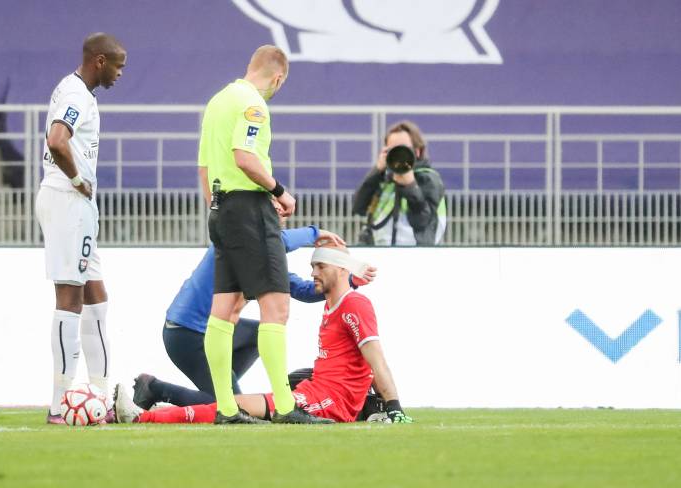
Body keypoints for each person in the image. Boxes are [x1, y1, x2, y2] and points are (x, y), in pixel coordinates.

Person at [113, 246, 412, 425]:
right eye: (312, 266)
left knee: (230, 407)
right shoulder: (337, 305)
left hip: (325, 400)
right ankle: (153, 404)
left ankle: (143, 415)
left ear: (342, 268)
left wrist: (394, 407)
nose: (313, 273)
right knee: (231, 403)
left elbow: (375, 359)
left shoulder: (353, 304)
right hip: (317, 390)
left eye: (320, 265)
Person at [200, 45, 324, 424]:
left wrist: (221, 208)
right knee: (276, 307)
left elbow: (205, 168)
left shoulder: (218, 101)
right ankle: (287, 409)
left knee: (226, 309)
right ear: (278, 78)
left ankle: (225, 408)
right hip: (249, 210)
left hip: (221, 209)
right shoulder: (254, 105)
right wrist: (278, 191)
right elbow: (245, 155)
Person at [131, 225, 365, 408]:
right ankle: (155, 388)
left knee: (255, 337)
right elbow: (277, 240)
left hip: (200, 329)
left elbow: (303, 290)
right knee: (232, 407)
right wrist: (314, 233)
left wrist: (350, 281)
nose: (281, 215)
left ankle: (222, 391)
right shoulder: (241, 236)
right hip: (186, 333)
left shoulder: (262, 254)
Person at [35, 33, 126, 424]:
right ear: (100, 61)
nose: (121, 74)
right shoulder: (75, 95)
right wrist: (75, 180)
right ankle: (59, 404)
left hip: (79, 206)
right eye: (119, 66)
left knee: (97, 297)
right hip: (67, 201)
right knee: (70, 298)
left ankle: (100, 396)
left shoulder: (78, 92)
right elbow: (57, 140)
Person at [353, 120, 447, 246]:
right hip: (380, 252)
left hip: (414, 256)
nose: (399, 154)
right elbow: (358, 207)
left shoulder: (428, 179)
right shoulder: (386, 179)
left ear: (417, 151)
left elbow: (423, 223)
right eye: (393, 150)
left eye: (403, 149)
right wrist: (376, 171)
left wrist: (410, 186)